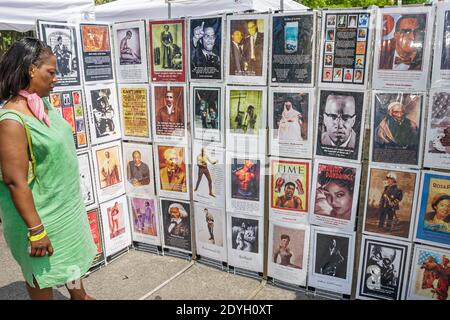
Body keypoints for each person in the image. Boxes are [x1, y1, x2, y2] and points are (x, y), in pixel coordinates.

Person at [0, 38, 96, 300]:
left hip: (64, 211)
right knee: (42, 274)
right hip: (40, 220)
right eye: (50, 72)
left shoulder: (41, 105)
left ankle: (79, 296)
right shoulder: (12, 121)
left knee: (70, 260)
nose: (55, 79)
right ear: (31, 69)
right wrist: (37, 231)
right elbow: (15, 182)